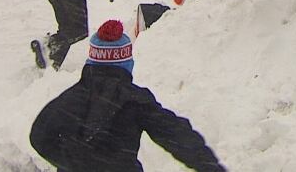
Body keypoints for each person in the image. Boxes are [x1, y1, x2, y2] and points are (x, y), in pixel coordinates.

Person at [30, 20, 227, 172]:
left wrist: (78, 162)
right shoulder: (135, 100)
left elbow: (39, 137)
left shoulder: (72, 97)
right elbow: (176, 134)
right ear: (125, 62)